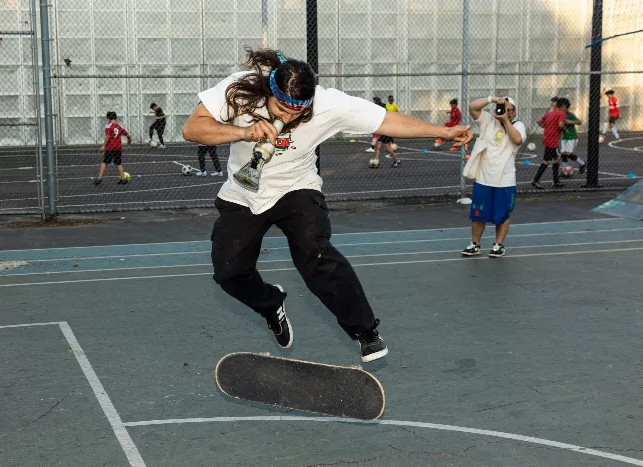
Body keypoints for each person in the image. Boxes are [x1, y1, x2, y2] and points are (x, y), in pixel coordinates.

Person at [182, 48, 472, 362]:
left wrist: (442, 131)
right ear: (269, 90)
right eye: (281, 108)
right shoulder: (240, 90)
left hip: (297, 187)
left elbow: (387, 121)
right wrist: (244, 131)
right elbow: (192, 129)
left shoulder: (329, 103)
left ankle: (365, 331)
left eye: (299, 111)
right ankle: (271, 304)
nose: (289, 117)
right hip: (243, 192)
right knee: (229, 273)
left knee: (314, 250)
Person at [461, 96, 525, 258]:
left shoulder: (518, 125)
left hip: (505, 179)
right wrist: (492, 98)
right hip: (484, 178)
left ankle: (498, 245)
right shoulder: (488, 121)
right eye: (505, 109)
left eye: (511, 110)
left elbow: (517, 140)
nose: (508, 113)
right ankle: (475, 244)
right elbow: (473, 107)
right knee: (478, 214)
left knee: (502, 214)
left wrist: (505, 121)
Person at [531, 97, 567, 189]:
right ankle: (536, 180)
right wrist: (564, 130)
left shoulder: (549, 114)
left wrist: (547, 127)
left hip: (547, 139)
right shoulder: (561, 114)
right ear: (563, 106)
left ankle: (556, 181)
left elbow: (539, 122)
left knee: (557, 158)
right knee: (546, 161)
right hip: (552, 141)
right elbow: (560, 125)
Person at [94, 111, 131, 185]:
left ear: (108, 118)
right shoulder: (119, 126)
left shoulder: (108, 125)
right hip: (118, 147)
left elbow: (108, 136)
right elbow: (128, 135)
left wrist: (104, 145)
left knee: (104, 162)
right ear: (116, 117)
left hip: (110, 147)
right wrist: (129, 141)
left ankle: (100, 178)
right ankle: (123, 179)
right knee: (118, 163)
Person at [559, 98, 586, 174]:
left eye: (562, 107)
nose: (561, 108)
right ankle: (564, 170)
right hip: (564, 137)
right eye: (560, 107)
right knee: (563, 154)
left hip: (572, 137)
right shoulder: (559, 115)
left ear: (566, 107)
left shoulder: (570, 115)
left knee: (568, 154)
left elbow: (579, 122)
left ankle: (582, 163)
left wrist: (570, 122)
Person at [373, 97, 400, 168]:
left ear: (375, 102)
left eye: (373, 102)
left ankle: (395, 160)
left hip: (386, 130)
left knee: (385, 147)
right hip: (385, 130)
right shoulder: (383, 107)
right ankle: (377, 161)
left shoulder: (380, 110)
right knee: (380, 146)